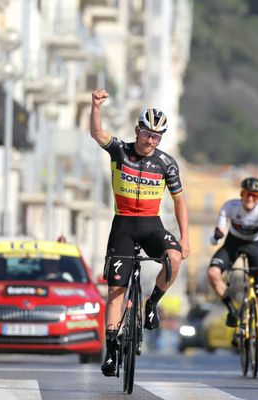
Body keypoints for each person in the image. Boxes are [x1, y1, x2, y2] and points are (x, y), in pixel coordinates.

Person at [89, 89, 190, 377]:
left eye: (156, 136)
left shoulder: (166, 163)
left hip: (151, 225)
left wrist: (186, 238)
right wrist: (96, 107)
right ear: (138, 130)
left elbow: (179, 200)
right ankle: (111, 351)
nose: (150, 140)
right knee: (116, 291)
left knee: (173, 258)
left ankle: (152, 304)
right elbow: (97, 133)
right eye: (146, 133)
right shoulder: (120, 150)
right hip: (123, 225)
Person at [207, 177, 258, 364]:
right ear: (241, 194)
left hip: (256, 246)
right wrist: (216, 236)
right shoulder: (230, 206)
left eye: (255, 196)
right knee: (213, 273)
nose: (250, 199)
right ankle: (232, 310)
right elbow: (216, 236)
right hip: (233, 243)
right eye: (247, 194)